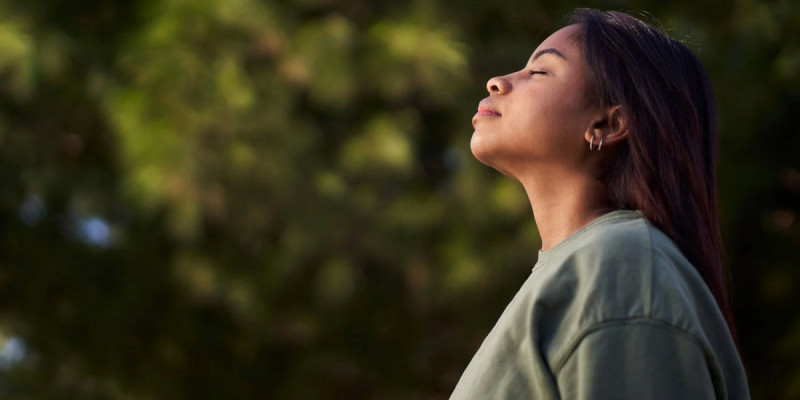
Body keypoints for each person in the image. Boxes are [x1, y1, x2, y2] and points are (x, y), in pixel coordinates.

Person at [450, 9, 751, 400]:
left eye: (539, 72)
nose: (497, 82)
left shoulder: (621, 269)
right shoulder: (591, 269)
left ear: (607, 125)